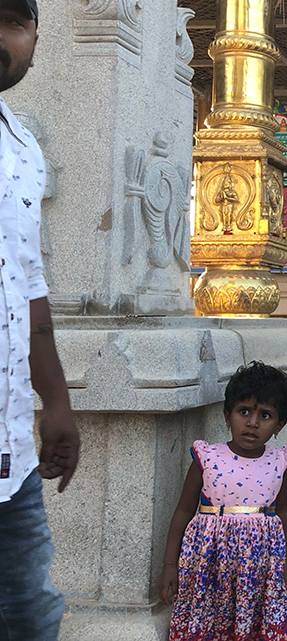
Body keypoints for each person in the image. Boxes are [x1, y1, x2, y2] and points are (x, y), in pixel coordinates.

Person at [0, 2, 81, 640]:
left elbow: (28, 284)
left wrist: (55, 399)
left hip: (11, 455)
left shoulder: (25, 150)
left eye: (11, 19)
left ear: (33, 36)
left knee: (29, 615)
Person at [158, 362, 287, 640]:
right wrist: (169, 565)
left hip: (257, 568)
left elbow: (281, 511)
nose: (252, 422)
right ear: (227, 416)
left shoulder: (279, 462)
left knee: (252, 624)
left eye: (266, 415)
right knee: (211, 622)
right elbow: (184, 511)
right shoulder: (206, 458)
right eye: (243, 411)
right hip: (209, 563)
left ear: (279, 425)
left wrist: (286, 560)